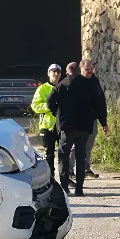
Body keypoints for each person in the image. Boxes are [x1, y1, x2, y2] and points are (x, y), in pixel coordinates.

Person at [48, 62, 108, 196]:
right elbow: (99, 103)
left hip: (67, 127)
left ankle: (64, 188)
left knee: (63, 156)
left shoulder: (61, 85)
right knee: (81, 157)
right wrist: (103, 121)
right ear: (79, 71)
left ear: (67, 72)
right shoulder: (89, 85)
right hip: (84, 127)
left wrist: (57, 113)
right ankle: (79, 189)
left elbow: (49, 101)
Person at [71, 59, 105, 179]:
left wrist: (104, 122)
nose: (90, 72)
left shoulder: (94, 82)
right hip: (78, 120)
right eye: (87, 70)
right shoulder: (75, 83)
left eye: (91, 69)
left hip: (92, 120)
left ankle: (85, 169)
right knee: (75, 146)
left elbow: (100, 102)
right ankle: (70, 170)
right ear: (81, 70)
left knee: (88, 146)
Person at [31, 64, 62, 173]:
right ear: (48, 74)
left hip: (61, 125)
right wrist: (49, 106)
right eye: (53, 71)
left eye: (58, 72)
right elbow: (35, 106)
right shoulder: (42, 89)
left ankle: (64, 177)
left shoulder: (63, 87)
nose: (56, 74)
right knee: (49, 154)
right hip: (47, 126)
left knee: (63, 153)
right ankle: (50, 177)